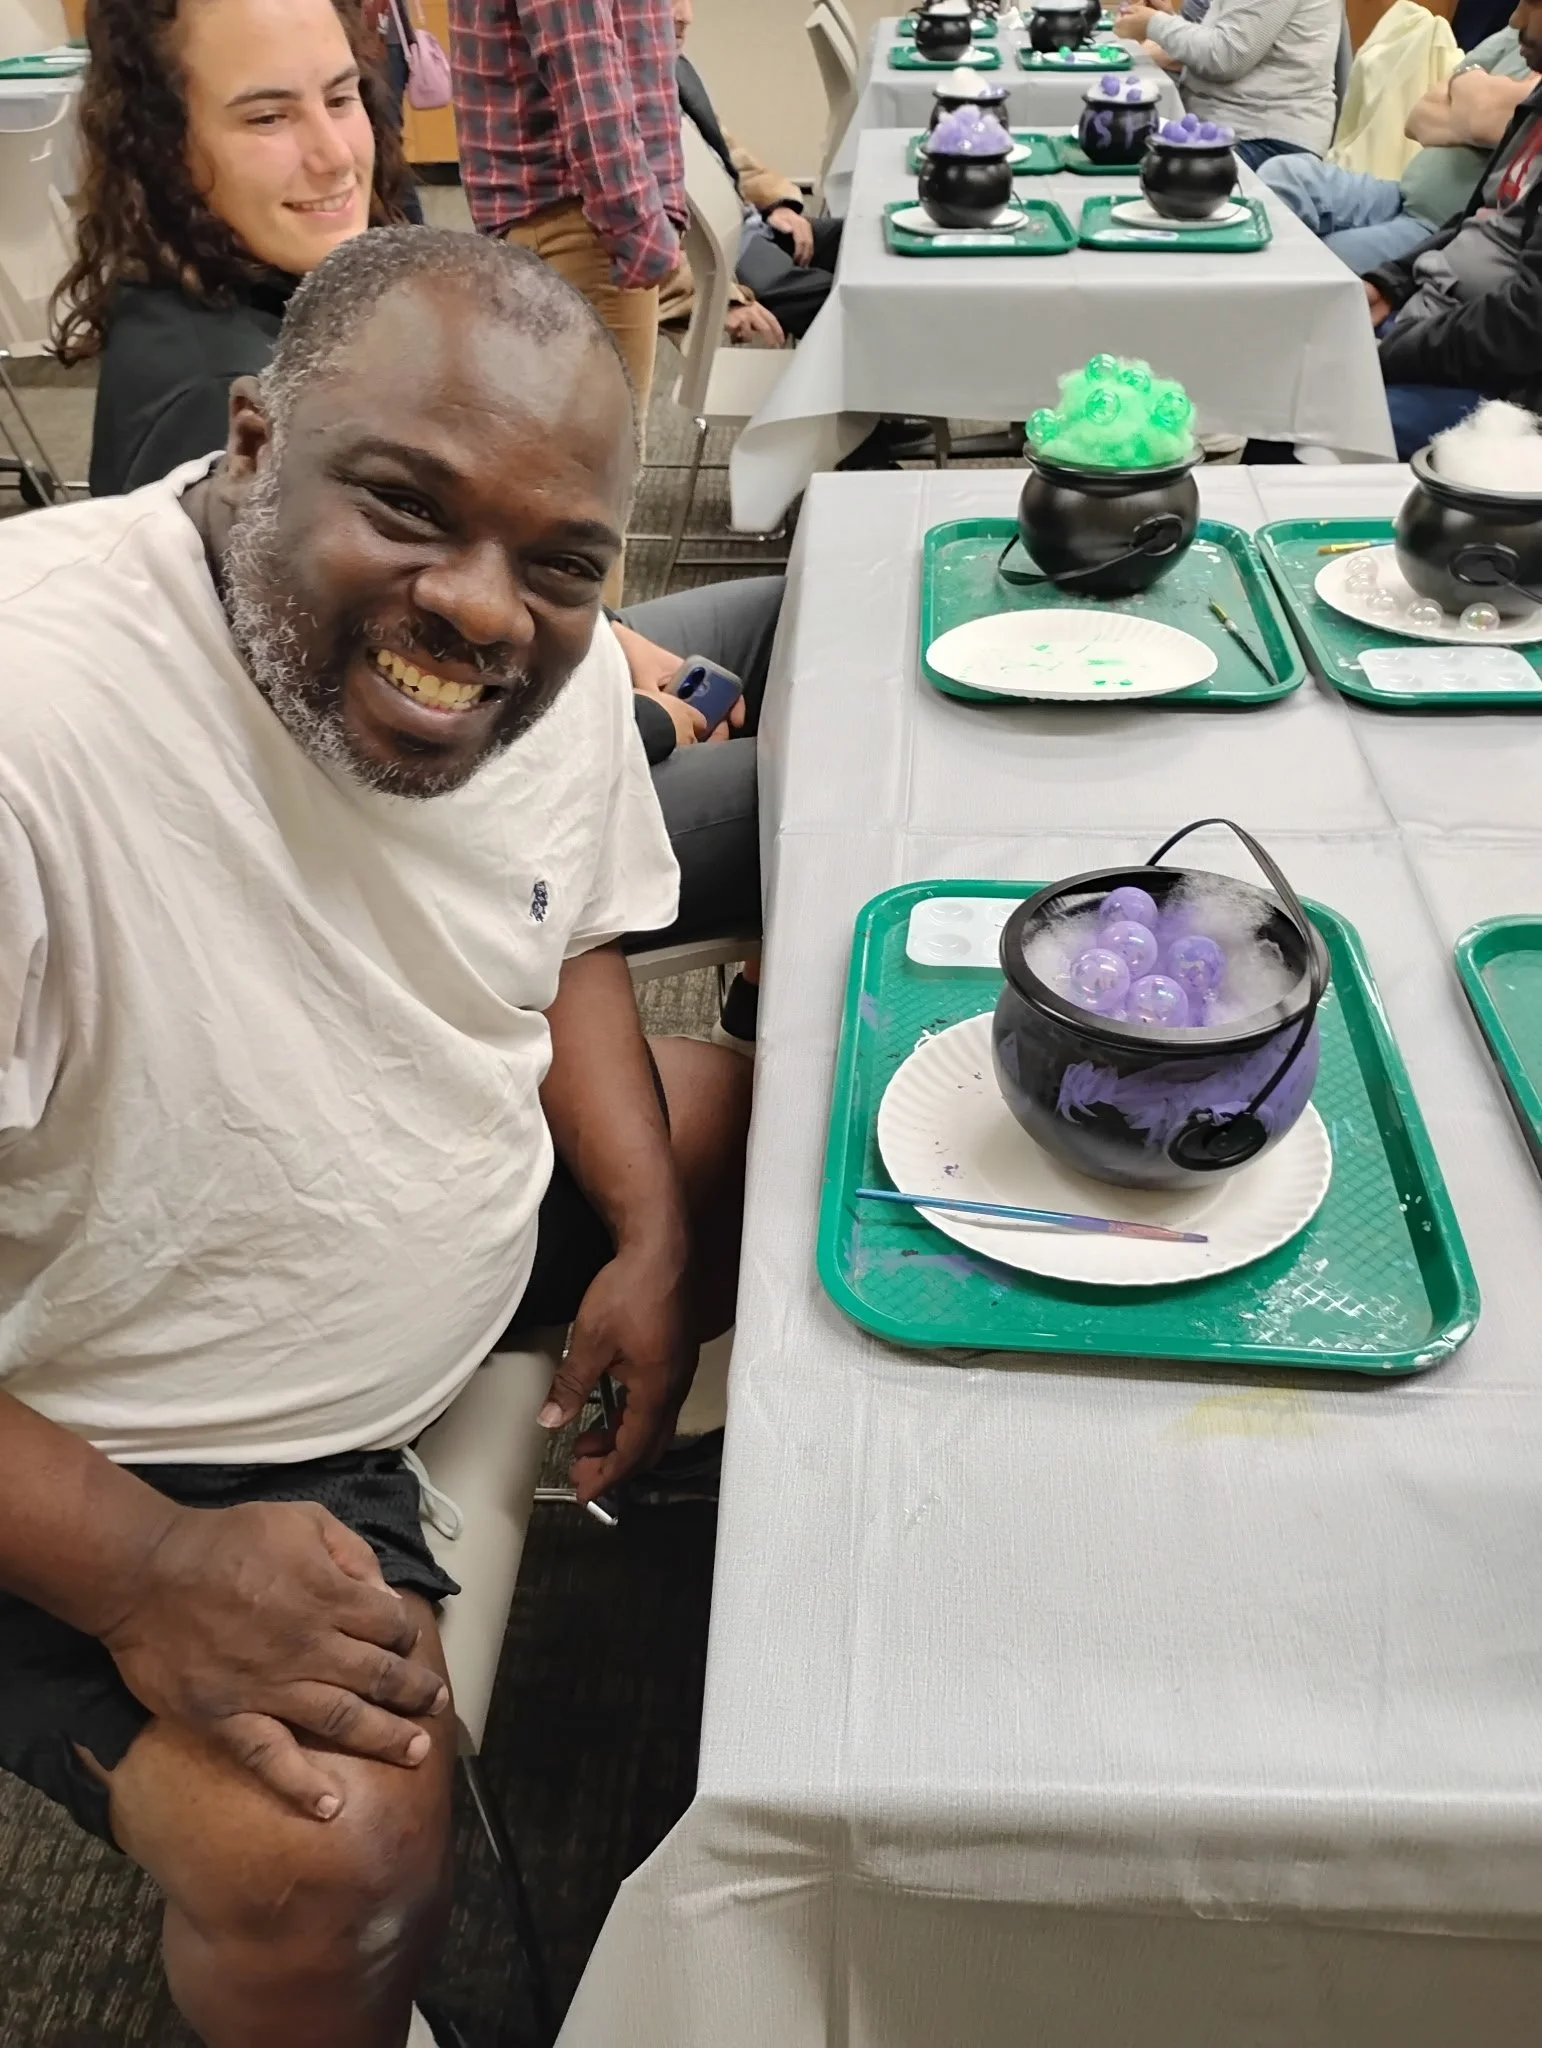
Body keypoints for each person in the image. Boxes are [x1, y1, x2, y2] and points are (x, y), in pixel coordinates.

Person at [0, 225, 751, 2048]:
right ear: (252, 443)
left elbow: (565, 930)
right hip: (127, 1440)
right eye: (408, 508)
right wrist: (140, 1566)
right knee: (334, 1855)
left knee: (813, 1153)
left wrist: (648, 1232)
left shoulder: (541, 669)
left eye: (557, 562)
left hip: (415, 1217)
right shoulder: (36, 727)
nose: (485, 609)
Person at [54, 0, 414, 498]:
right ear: (161, 144)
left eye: (339, 99)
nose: (335, 156)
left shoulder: (274, 293)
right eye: (267, 118)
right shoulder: (222, 406)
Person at [446, 0, 684, 568]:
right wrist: (639, 227)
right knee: (591, 495)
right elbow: (586, 73)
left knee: (566, 487)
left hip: (572, 216)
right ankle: (588, 633)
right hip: (583, 221)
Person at [1366, 48, 1542, 456]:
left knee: (1312, 421)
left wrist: (1392, 351)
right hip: (1432, 329)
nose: (1514, 19)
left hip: (1502, 388)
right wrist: (1391, 282)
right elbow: (1475, 220)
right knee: (1292, 359)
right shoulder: (1536, 103)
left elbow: (1525, 325)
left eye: (1531, 11)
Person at [1257, 22, 1538, 273]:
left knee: (1330, 257)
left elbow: (1484, 121)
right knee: (1285, 174)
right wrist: (1487, 106)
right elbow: (1419, 119)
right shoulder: (1515, 33)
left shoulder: (1534, 45)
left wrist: (1466, 90)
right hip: (1401, 194)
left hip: (1444, 226)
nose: (1518, 15)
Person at [663, 0, 844, 346]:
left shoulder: (676, 68)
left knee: (866, 240)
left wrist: (777, 202)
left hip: (751, 225)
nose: (686, 16)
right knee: (845, 306)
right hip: (725, 256)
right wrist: (716, 298)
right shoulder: (614, 105)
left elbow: (724, 150)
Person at [1114, 0, 1339, 168]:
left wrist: (1154, 24)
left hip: (1266, 141)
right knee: (1118, 144)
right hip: (1236, 127)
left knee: (1133, 165)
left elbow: (1227, 57)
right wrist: (1168, 20)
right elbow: (1230, 40)